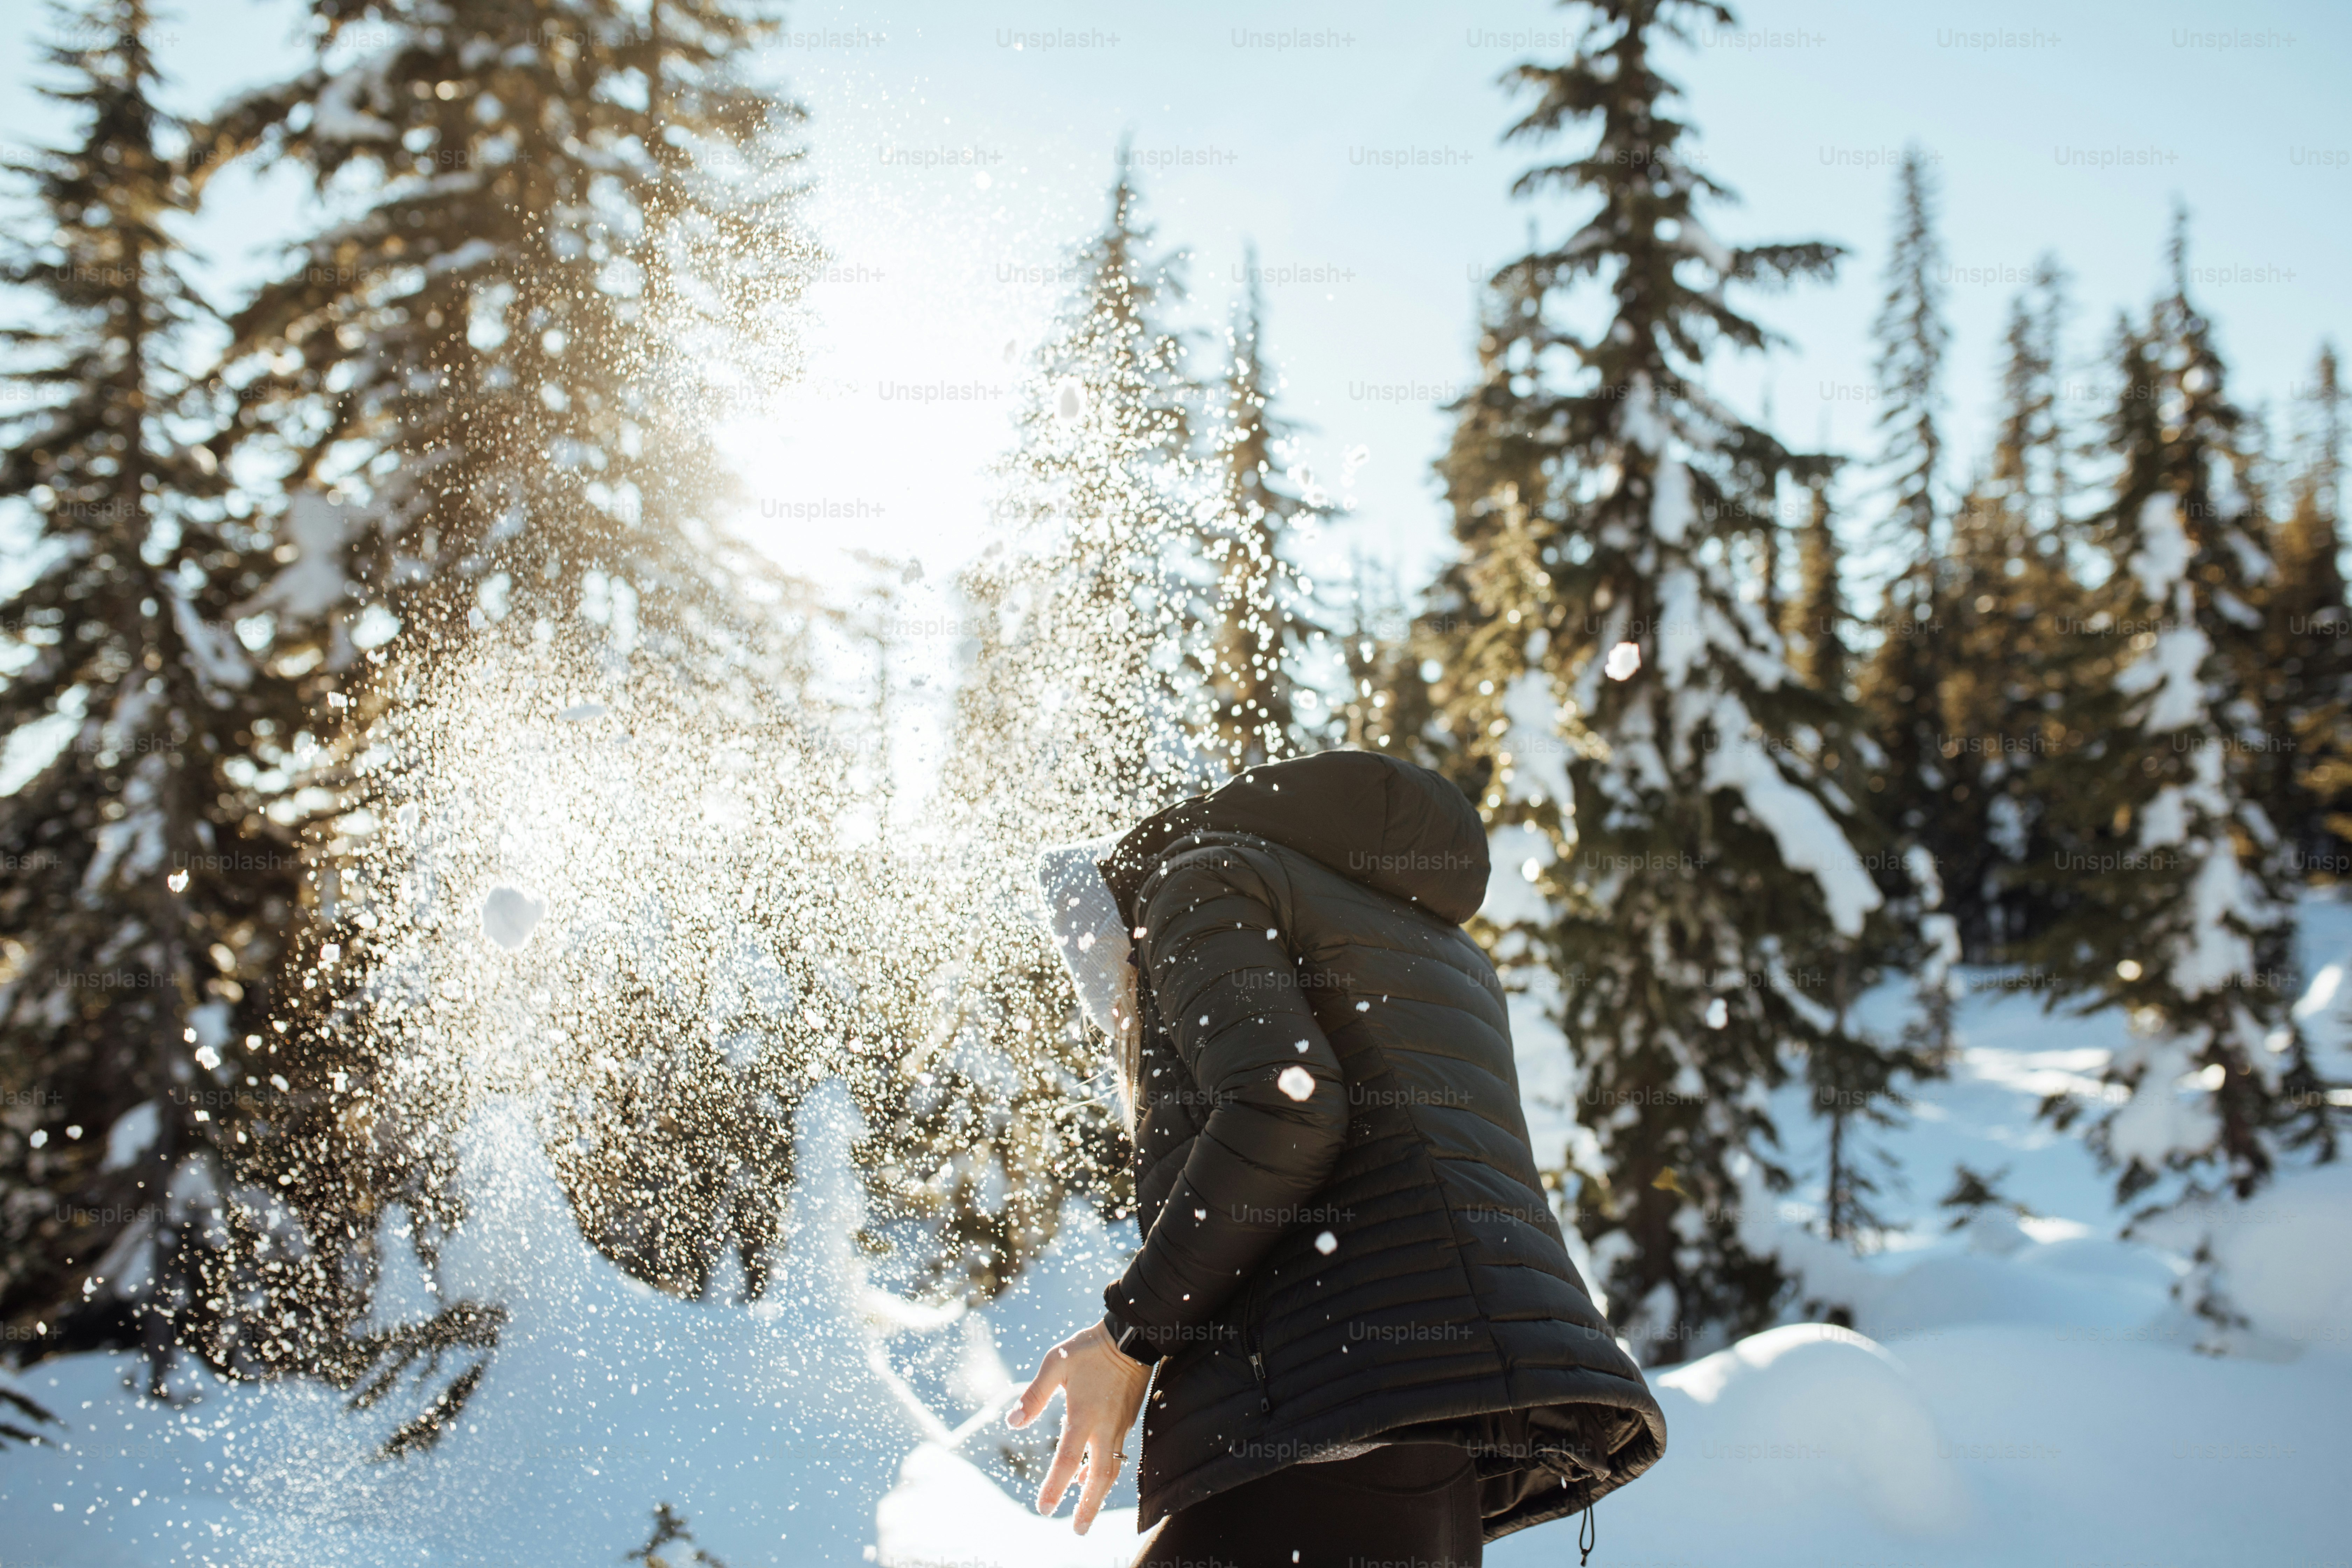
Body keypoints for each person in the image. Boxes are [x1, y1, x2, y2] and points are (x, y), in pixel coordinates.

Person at [1010, 748, 1666, 1567]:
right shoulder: (1425, 936)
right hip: (1420, 1437)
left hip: (1336, 1416)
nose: (1113, 1013)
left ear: (1114, 932)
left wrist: (1125, 1337)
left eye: (1105, 987)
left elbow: (1284, 1106)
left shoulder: (1189, 887)